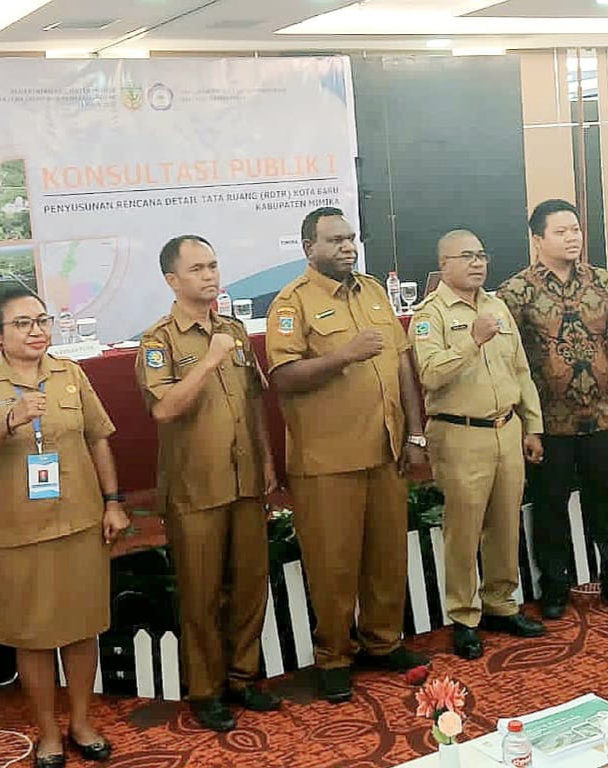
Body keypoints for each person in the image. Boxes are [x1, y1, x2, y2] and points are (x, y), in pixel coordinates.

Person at [0, 287, 128, 765]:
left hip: (78, 519)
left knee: (82, 626)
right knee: (31, 634)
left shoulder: (70, 375)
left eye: (42, 320)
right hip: (15, 529)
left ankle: (81, 722)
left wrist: (113, 502)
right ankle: (48, 732)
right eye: (22, 324)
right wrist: (7, 423)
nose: (37, 331)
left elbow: (98, 438)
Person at [265, 206, 429, 703]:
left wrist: (415, 434)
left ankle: (383, 643)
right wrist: (343, 356)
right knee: (333, 566)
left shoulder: (373, 291)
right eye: (335, 240)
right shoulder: (292, 303)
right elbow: (282, 377)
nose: (347, 247)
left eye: (350, 238)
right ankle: (334, 657)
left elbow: (402, 364)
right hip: (327, 460)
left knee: (386, 557)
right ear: (308, 247)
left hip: (384, 448)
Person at [136, 235, 281, 732]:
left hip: (245, 478)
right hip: (195, 486)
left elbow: (254, 400)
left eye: (213, 266)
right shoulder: (159, 341)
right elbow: (164, 409)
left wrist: (265, 458)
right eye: (197, 269)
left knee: (250, 584)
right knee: (201, 593)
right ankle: (206, 689)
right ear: (172, 280)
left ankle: (243, 677)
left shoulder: (233, 330)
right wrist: (210, 361)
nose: (210, 276)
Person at [497, 199, 608, 617]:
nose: (572, 238)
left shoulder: (602, 282)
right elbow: (507, 357)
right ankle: (555, 586)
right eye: (561, 232)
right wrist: (524, 422)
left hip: (602, 415)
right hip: (549, 421)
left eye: (576, 230)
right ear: (537, 239)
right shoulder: (516, 291)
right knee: (550, 508)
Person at [413, 229, 547, 660]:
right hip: (459, 433)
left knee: (505, 524)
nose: (477, 263)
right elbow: (430, 374)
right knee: (464, 530)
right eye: (466, 256)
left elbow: (520, 370)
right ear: (444, 265)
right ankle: (464, 616)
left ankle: (501, 604)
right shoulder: (430, 315)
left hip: (506, 428)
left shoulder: (497, 306)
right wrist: (471, 340)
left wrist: (532, 425)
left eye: (482, 255)